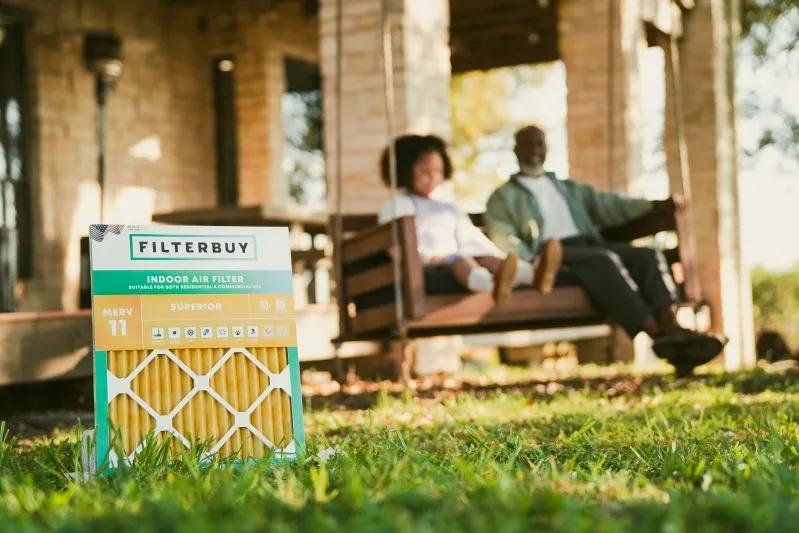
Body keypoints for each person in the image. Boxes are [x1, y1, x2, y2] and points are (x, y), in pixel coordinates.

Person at [485, 125, 725, 373]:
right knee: (603, 260)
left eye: (539, 143)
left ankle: (670, 324)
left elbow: (610, 205)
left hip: (589, 243)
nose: (534, 149)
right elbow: (503, 235)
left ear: (546, 149)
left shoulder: (569, 189)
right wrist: (530, 261)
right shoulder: (503, 197)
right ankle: (656, 331)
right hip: (551, 255)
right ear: (516, 150)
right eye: (527, 144)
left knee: (646, 255)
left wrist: (651, 205)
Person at [377, 134, 562, 305]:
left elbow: (469, 235)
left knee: (484, 256)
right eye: (425, 172)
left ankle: (531, 274)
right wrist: (427, 258)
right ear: (404, 170)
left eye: (438, 171)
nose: (433, 177)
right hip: (430, 261)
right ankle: (490, 285)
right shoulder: (399, 205)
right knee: (461, 260)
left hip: (458, 254)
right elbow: (395, 244)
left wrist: (494, 254)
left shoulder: (447, 206)